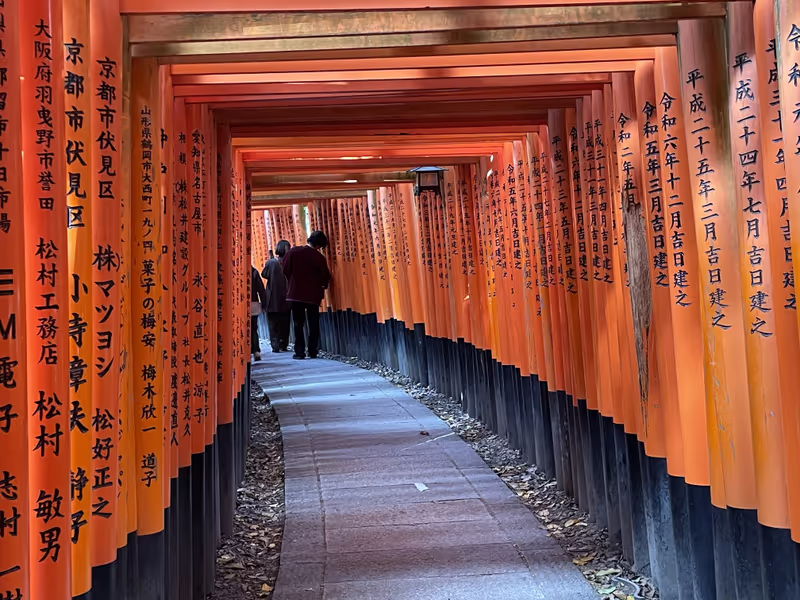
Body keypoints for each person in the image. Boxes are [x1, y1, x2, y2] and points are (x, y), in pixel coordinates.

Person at [282, 230, 331, 360]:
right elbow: (325, 276)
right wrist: (322, 285)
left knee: (298, 324)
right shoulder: (319, 258)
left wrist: (293, 280)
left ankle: (299, 352)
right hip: (312, 295)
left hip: (295, 294)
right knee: (313, 323)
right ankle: (312, 351)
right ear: (319, 245)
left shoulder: (293, 252)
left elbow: (285, 269)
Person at [261, 240, 291, 352]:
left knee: (273, 323)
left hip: (272, 297)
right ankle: (283, 344)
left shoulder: (271, 262)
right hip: (286, 296)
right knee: (285, 322)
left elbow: (264, 274)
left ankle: (275, 345)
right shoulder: (289, 261)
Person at [250, 265, 268, 361]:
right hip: (253, 304)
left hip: (237, 304)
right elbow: (261, 289)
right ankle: (256, 350)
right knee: (253, 328)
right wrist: (264, 304)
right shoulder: (254, 272)